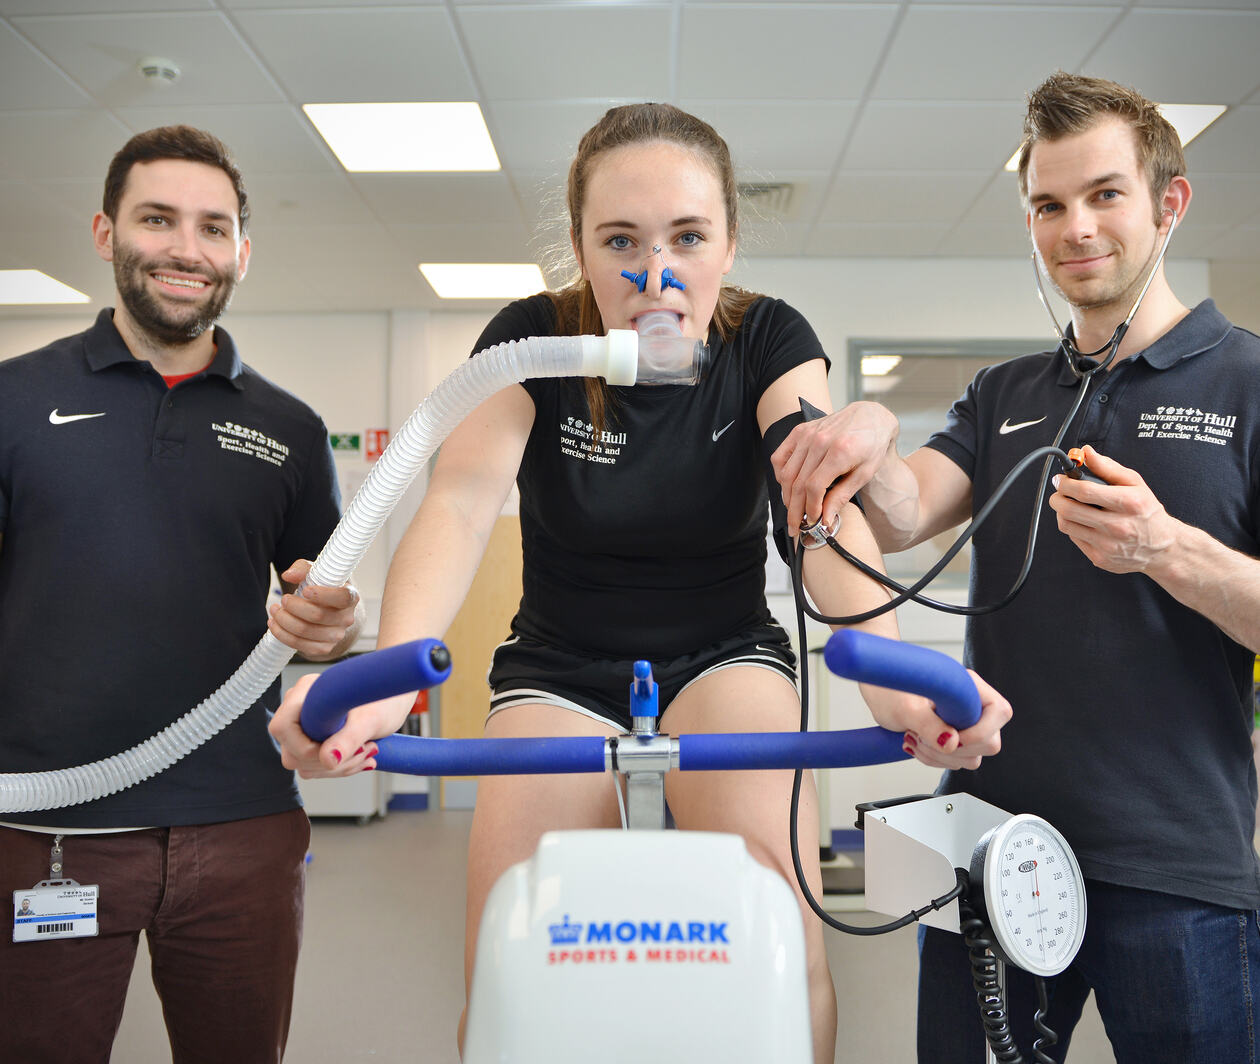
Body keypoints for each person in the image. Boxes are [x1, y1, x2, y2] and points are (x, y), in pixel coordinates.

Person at [270, 102, 1011, 1064]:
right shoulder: (531, 339)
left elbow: (819, 507)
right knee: (504, 940)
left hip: (725, 653)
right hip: (557, 664)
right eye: (620, 239)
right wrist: (392, 689)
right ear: (579, 246)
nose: (654, 274)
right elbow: (456, 507)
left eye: (688, 238)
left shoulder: (767, 339)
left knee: (789, 929)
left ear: (729, 243)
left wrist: (895, 678)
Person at [773, 72, 1260, 1063]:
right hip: (983, 838)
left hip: (1176, 859)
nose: (1075, 227)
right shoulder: (1004, 392)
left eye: (1104, 194)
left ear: (1170, 203)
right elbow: (904, 510)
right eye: (1048, 203)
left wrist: (1165, 548)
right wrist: (863, 428)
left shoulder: (1248, 382)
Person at [0, 125, 365, 1064]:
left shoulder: (288, 428)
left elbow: (316, 612)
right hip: (50, 828)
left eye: (213, 227)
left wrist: (334, 629)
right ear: (105, 231)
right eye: (157, 219)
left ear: (241, 250)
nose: (185, 249)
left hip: (240, 823)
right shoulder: (13, 401)